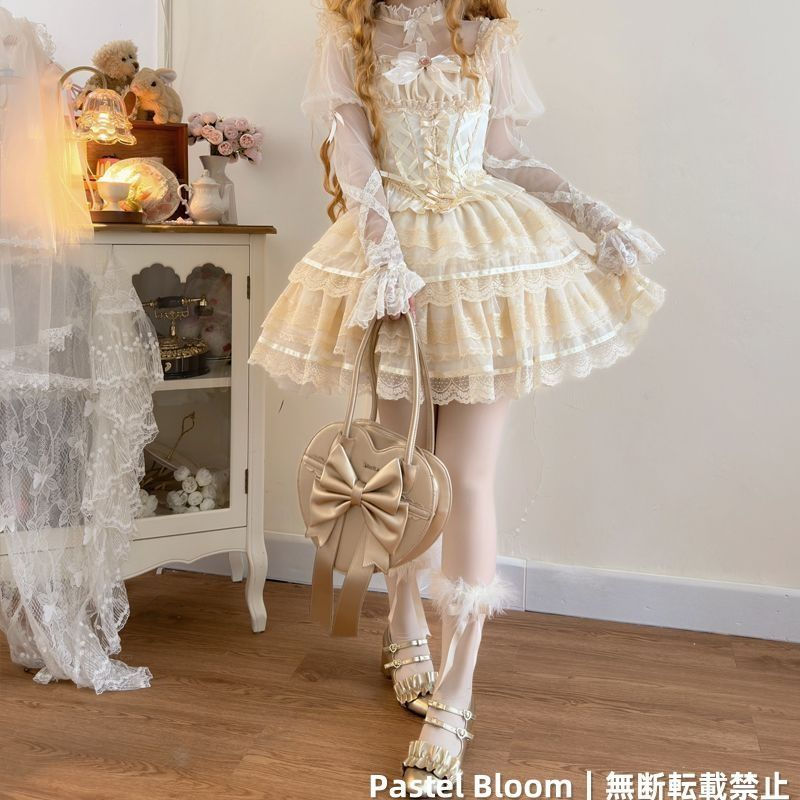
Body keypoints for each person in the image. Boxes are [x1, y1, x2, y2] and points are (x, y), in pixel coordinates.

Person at [248, 0, 665, 793]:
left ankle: (456, 693)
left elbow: (503, 157)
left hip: (482, 259)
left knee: (469, 478)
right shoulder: (349, 33)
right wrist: (383, 257)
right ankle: (404, 626)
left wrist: (593, 215)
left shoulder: (486, 33)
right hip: (396, 256)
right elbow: (352, 150)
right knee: (399, 471)